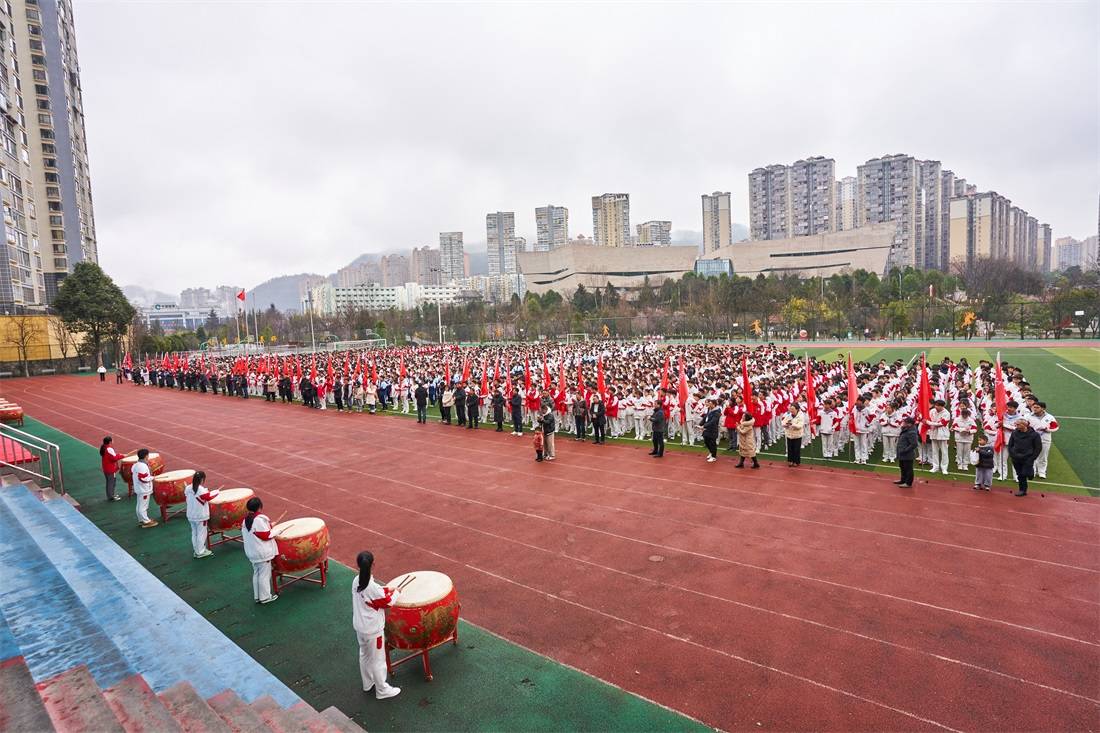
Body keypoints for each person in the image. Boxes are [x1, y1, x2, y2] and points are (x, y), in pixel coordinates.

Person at [351, 551, 402, 700]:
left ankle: (367, 683)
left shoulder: (356, 581)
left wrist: (388, 589)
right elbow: (387, 602)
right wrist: (396, 592)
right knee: (378, 660)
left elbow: (377, 592)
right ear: (373, 564)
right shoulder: (371, 587)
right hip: (372, 629)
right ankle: (382, 690)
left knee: (365, 655)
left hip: (360, 627)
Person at [242, 497, 279, 603]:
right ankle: (265, 597)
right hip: (262, 553)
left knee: (257, 573)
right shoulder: (259, 520)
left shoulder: (246, 520)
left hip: (252, 552)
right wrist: (277, 531)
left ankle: (258, 596)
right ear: (259, 507)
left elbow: (256, 532)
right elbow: (266, 535)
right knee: (264, 575)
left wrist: (270, 525)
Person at [184, 470, 218, 559]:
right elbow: (208, 497)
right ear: (202, 479)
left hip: (191, 515)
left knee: (194, 533)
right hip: (200, 516)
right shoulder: (201, 490)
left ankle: (197, 550)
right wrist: (216, 492)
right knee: (201, 534)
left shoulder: (188, 488)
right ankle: (201, 552)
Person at [1007, 418, 1042, 496]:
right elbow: (1010, 445)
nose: (1016, 426)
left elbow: (1038, 448)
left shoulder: (1034, 435)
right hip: (1016, 458)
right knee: (1020, 474)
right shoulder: (1014, 433)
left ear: (1024, 425)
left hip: (1027, 458)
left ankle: (1030, 473)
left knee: (1025, 473)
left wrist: (1032, 458)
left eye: (1018, 424)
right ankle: (1022, 490)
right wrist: (1012, 454)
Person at [1028, 402, 1059, 479]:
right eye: (1034, 407)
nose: (1035, 409)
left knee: (1043, 456)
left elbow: (1055, 427)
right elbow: (1024, 425)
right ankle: (1033, 471)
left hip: (1045, 439)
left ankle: (1042, 472)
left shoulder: (1050, 417)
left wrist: (1047, 429)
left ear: (1043, 408)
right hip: (1032, 439)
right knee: (1032, 455)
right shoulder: (1028, 416)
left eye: (1037, 407)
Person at [132, 448, 158, 527]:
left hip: (140, 488)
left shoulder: (136, 464)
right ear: (146, 456)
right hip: (144, 489)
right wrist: (152, 478)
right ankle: (146, 521)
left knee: (140, 505)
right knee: (143, 506)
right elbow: (143, 478)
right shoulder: (142, 466)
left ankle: (141, 520)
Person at [894, 417, 918, 488]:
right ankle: (903, 480)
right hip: (902, 453)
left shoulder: (911, 432)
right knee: (902, 467)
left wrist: (905, 450)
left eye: (905, 422)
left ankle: (908, 483)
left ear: (909, 424)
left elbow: (914, 444)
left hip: (907, 454)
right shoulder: (905, 430)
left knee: (908, 469)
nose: (903, 423)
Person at [99, 436, 123, 502]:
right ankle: (111, 497)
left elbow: (112, 456)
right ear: (110, 442)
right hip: (110, 469)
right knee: (111, 483)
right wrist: (122, 456)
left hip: (106, 468)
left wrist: (118, 455)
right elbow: (114, 458)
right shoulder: (109, 449)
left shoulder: (103, 447)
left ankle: (111, 495)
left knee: (109, 482)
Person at [781, 403, 805, 467]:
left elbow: (800, 425)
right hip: (789, 434)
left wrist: (792, 424)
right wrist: (786, 424)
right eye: (791, 408)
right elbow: (783, 422)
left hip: (797, 435)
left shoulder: (801, 415)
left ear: (797, 409)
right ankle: (790, 461)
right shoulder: (788, 415)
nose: (791, 410)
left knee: (796, 449)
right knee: (790, 448)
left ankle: (796, 461)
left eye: (793, 409)